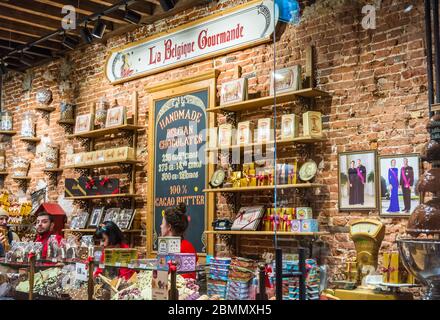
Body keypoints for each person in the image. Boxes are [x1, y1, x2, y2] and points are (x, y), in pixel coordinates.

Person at [160, 202, 197, 279]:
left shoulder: (185, 247)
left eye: (162, 223)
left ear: (169, 227)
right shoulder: (165, 247)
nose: (161, 226)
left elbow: (186, 280)